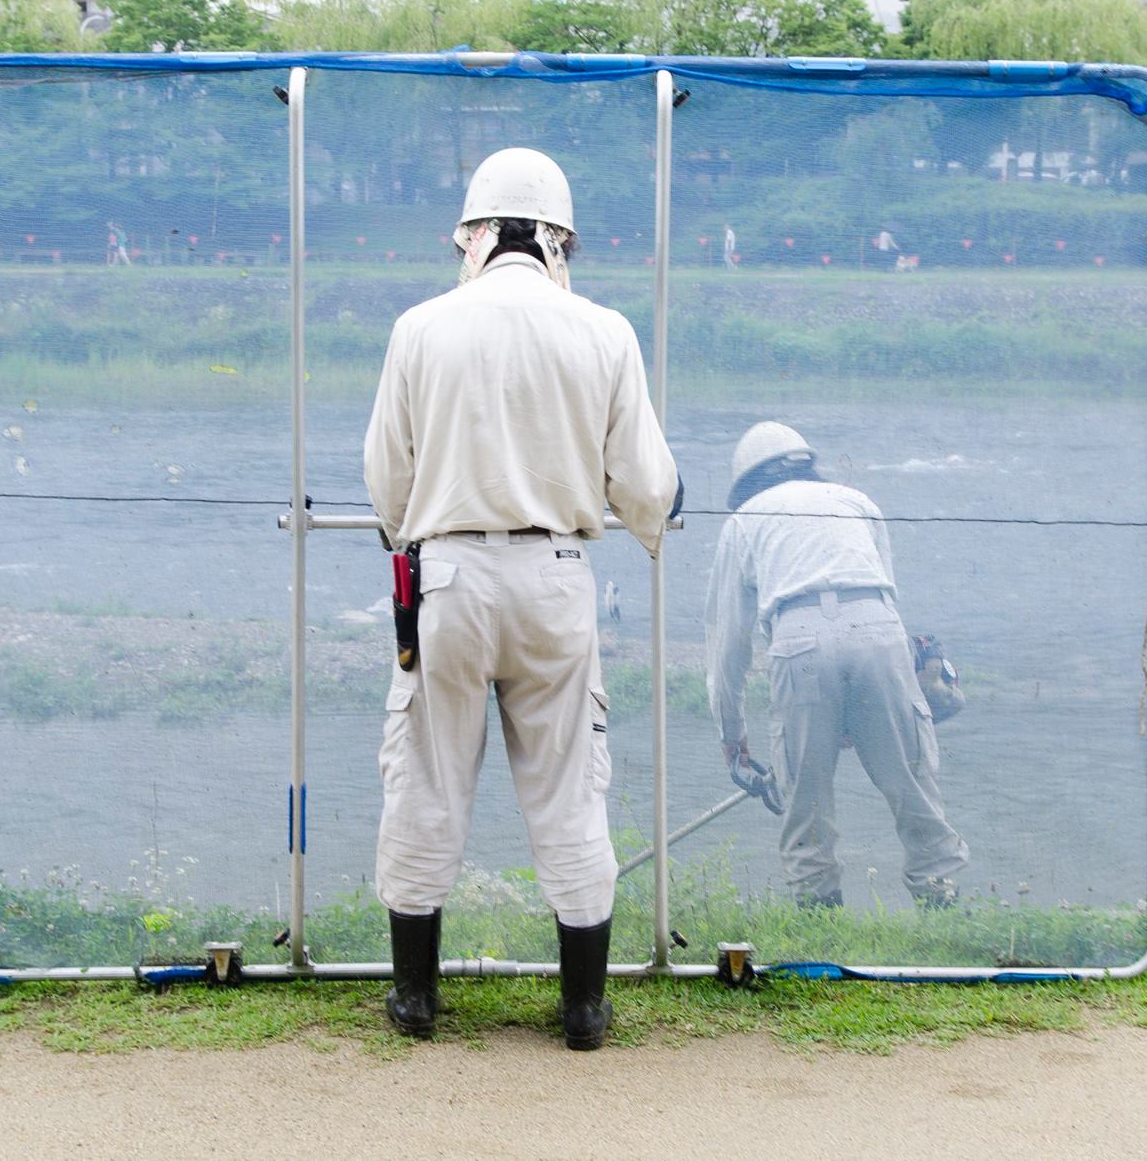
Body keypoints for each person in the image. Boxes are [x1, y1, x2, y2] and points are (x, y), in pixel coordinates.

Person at [363, 146, 679, 1049]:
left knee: (426, 778)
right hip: (556, 578)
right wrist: (651, 515)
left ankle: (416, 999)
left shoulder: (420, 327)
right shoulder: (604, 331)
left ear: (474, 235)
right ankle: (583, 1007)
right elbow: (645, 485)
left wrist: (416, 530)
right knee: (570, 787)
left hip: (450, 577)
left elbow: (388, 477)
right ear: (555, 239)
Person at [703, 422, 969, 910]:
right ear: (808, 463)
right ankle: (942, 904)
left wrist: (732, 735)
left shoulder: (743, 520)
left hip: (798, 643)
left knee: (804, 804)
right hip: (879, 635)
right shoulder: (856, 501)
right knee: (912, 784)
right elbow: (887, 598)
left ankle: (819, 923)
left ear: (746, 483)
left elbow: (729, 645)